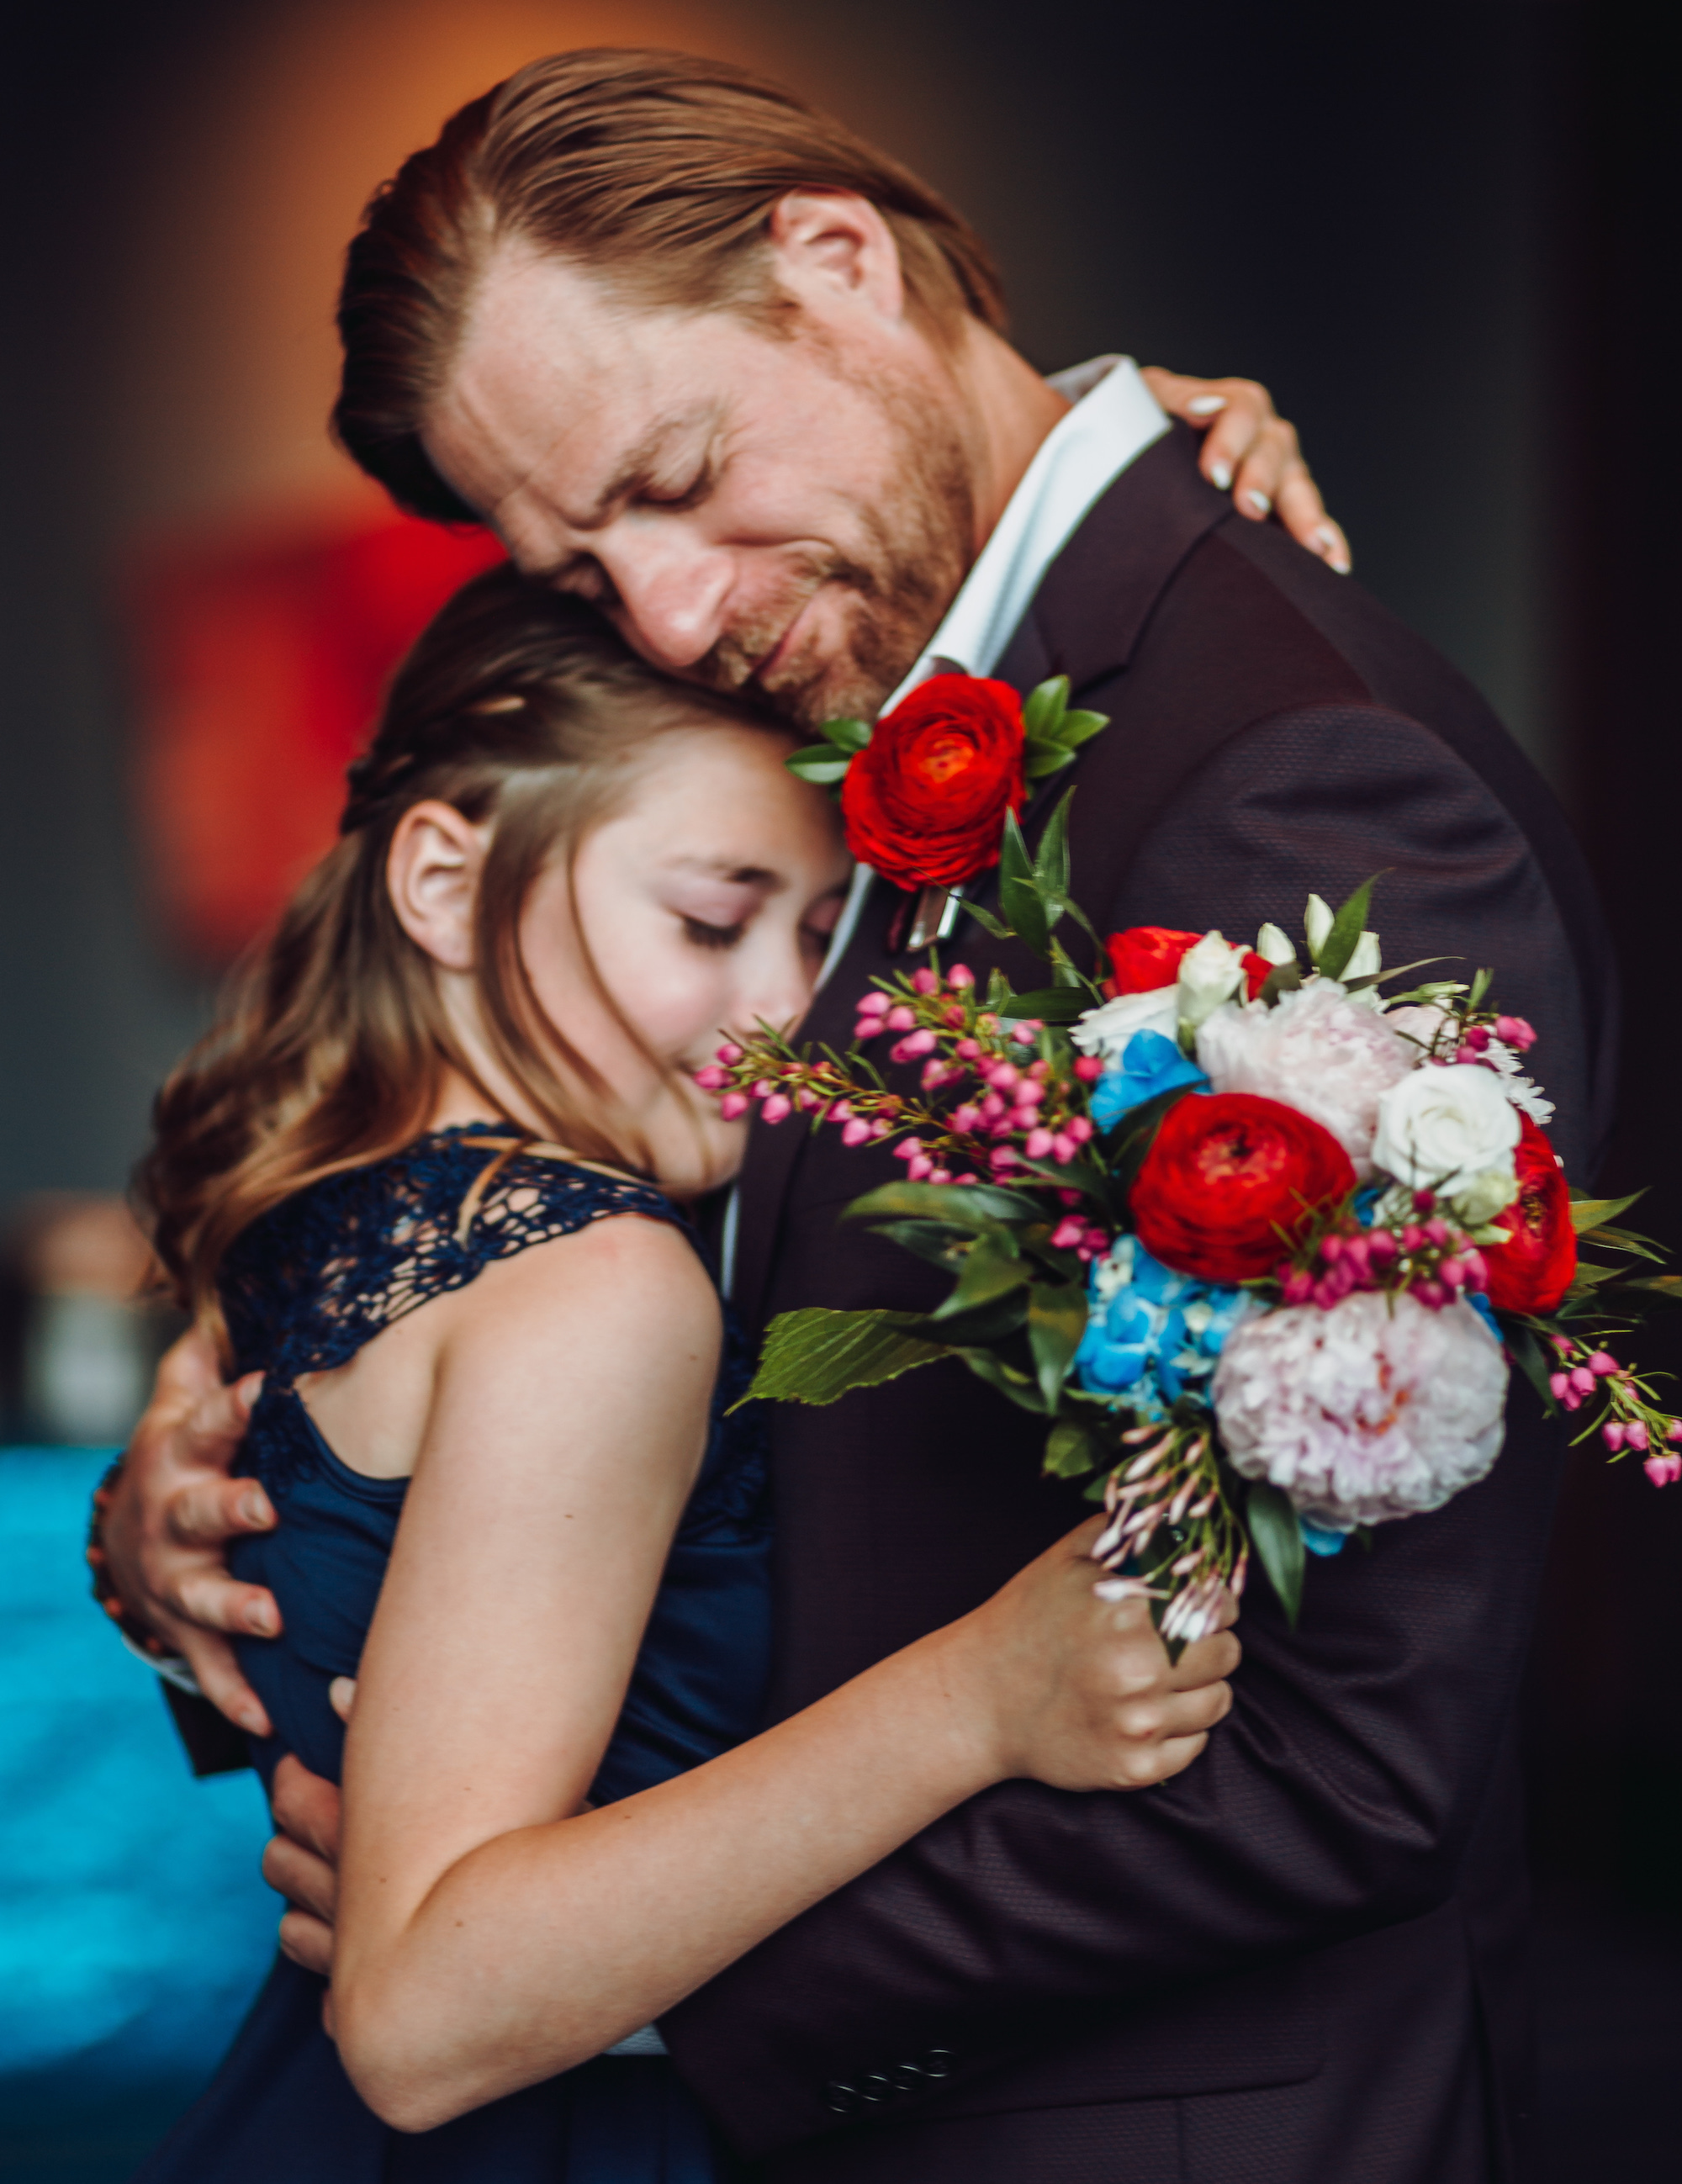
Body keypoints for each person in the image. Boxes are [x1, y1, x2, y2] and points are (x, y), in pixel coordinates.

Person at [100, 48, 1617, 2183]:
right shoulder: (839, 689)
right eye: (581, 551)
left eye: (676, 472)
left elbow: (1341, 1752)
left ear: (838, 261)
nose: (671, 607)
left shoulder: (1285, 778)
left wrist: (601, 1985)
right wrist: (229, 1487)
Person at [124, 566, 1239, 2184]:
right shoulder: (599, 1279)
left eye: (812, 934)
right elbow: (423, 2017)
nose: (783, 1014)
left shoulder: (323, 1208)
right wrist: (982, 1696)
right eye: (710, 920)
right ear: (441, 881)